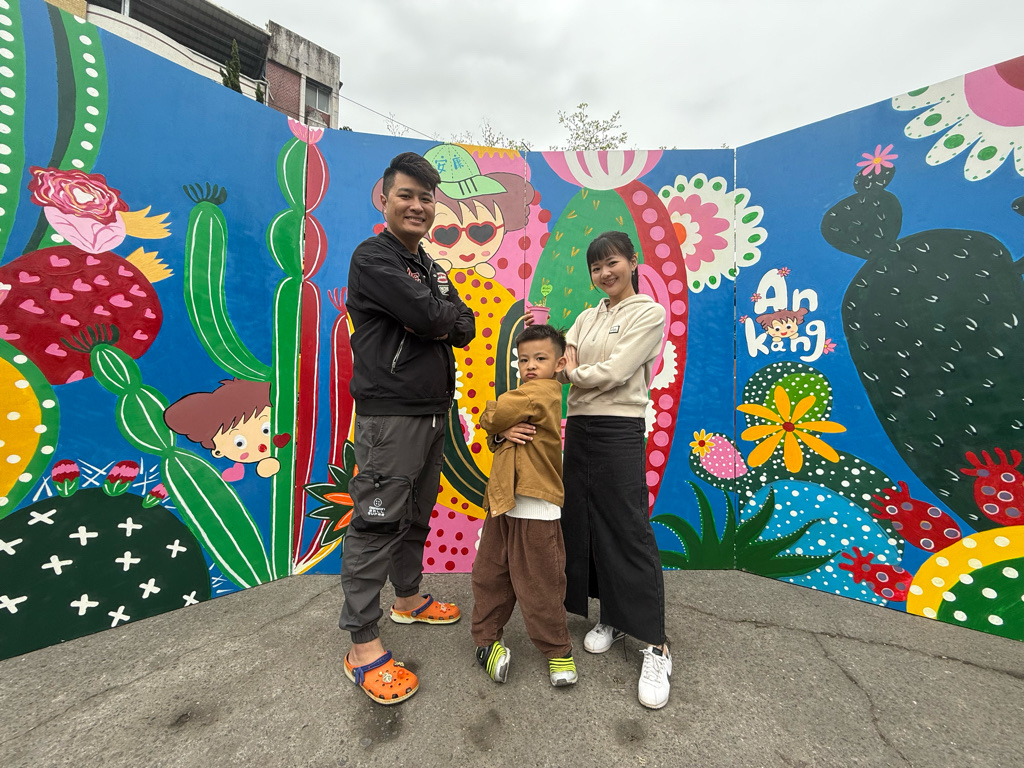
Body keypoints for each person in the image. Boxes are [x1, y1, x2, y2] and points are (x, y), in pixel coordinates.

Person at [507, 231, 670, 708]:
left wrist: (572, 373)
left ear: (633, 261)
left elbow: (613, 372)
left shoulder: (648, 313)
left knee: (628, 526)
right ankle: (612, 617)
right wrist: (571, 366)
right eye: (596, 268)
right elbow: (566, 355)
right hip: (578, 426)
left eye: (612, 262)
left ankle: (656, 644)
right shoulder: (586, 316)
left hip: (618, 427)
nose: (604, 273)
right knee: (586, 522)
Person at [339, 152, 476, 705]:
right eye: (406, 195)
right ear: (385, 199)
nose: (417, 205)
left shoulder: (429, 266)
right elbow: (430, 317)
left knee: (416, 516)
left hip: (431, 410)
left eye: (426, 197)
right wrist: (433, 314)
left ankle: (408, 599)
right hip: (390, 414)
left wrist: (434, 312)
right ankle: (362, 644)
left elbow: (463, 327)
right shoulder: (373, 258)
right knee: (377, 524)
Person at [471, 324, 577, 688]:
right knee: (489, 575)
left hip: (534, 505)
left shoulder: (540, 392)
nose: (530, 365)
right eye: (523, 359)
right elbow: (499, 431)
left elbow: (494, 414)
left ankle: (558, 650)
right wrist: (501, 433)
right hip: (504, 500)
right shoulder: (525, 396)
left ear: (559, 364)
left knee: (540, 584)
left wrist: (494, 422)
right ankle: (486, 641)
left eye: (540, 358)